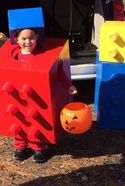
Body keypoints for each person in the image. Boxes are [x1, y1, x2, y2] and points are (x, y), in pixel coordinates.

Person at [13, 28, 77, 163]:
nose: (28, 42)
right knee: (19, 120)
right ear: (16, 39)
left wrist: (68, 86)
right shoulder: (15, 55)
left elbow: (59, 71)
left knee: (36, 121)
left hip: (36, 96)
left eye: (31, 38)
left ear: (37, 37)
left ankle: (39, 148)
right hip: (18, 95)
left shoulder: (43, 56)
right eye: (23, 39)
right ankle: (20, 146)